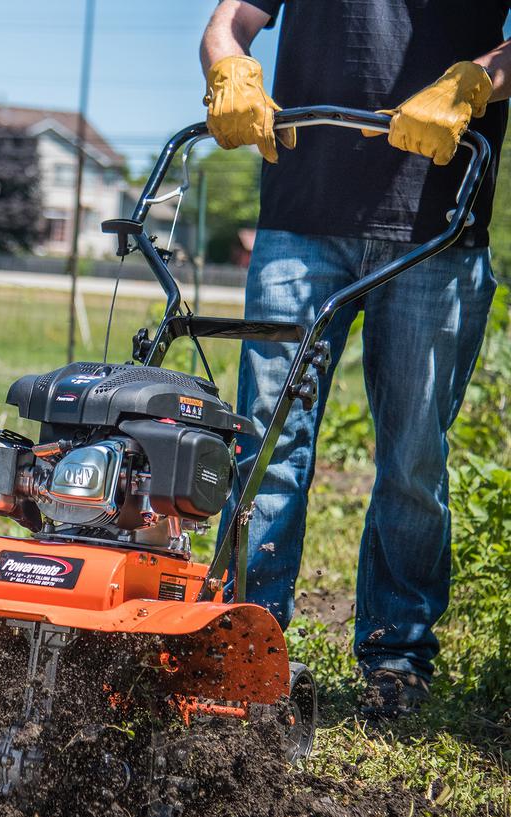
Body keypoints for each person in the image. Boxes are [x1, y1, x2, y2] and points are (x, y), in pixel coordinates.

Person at [200, 1, 510, 717]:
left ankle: (396, 655)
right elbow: (229, 22)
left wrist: (476, 80)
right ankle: (249, 641)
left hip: (437, 220)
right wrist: (228, 64)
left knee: (413, 460)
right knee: (265, 442)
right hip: (299, 218)